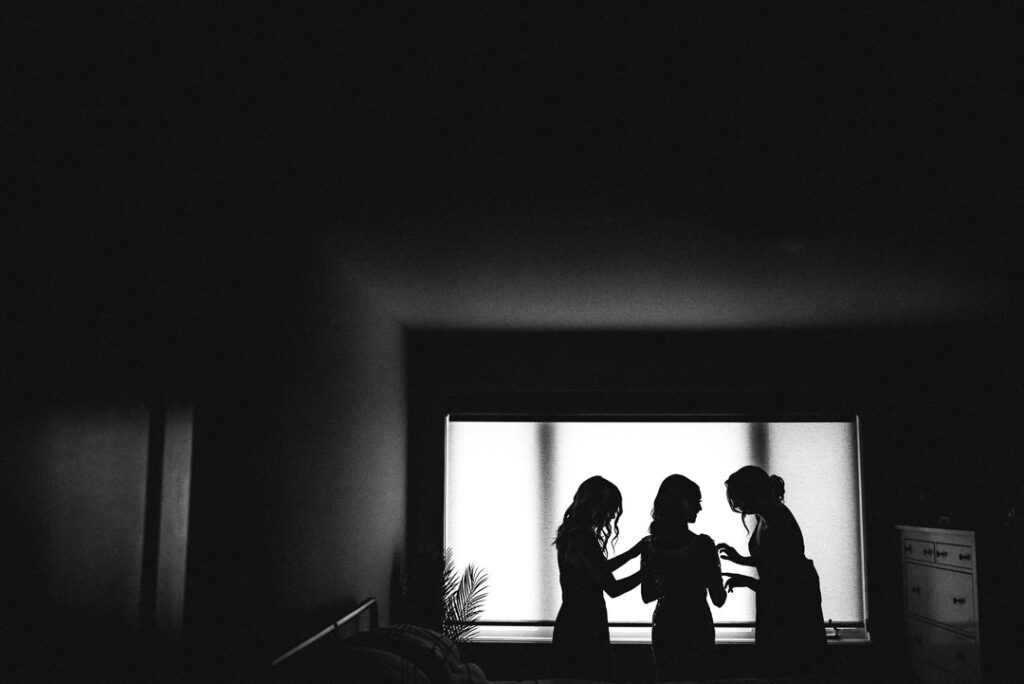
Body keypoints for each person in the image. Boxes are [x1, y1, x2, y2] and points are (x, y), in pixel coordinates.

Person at [716, 466, 825, 677]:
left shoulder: (778, 522)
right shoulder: (764, 516)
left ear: (750, 493)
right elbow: (770, 561)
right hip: (777, 598)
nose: (736, 505)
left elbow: (782, 581)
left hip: (793, 604)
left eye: (737, 498)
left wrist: (744, 581)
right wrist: (739, 559)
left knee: (790, 664)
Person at [551, 476, 646, 680]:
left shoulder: (570, 536)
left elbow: (595, 571)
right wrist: (646, 573)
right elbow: (612, 588)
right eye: (611, 509)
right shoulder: (586, 540)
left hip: (570, 619)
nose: (612, 516)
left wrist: (632, 553)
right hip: (586, 625)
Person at [641, 474, 726, 681]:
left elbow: (647, 594)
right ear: (684, 503)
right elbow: (719, 599)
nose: (700, 508)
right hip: (696, 624)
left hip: (665, 624)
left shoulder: (650, 546)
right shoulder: (703, 545)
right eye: (697, 501)